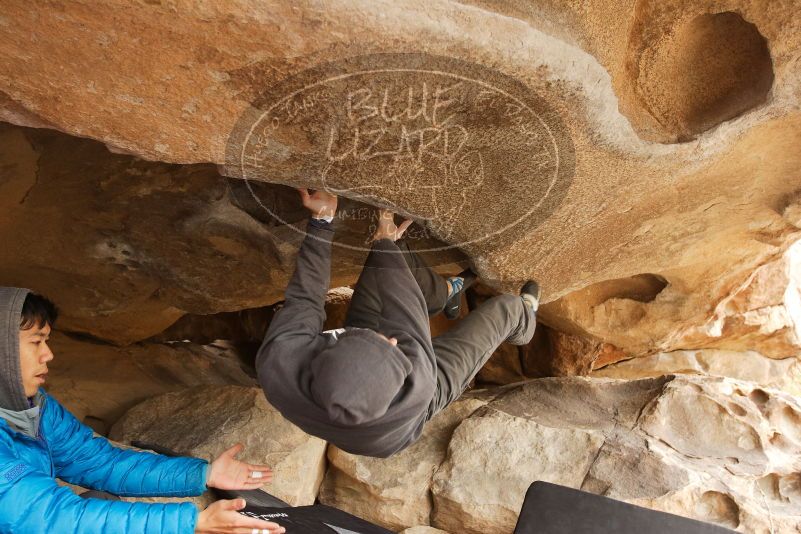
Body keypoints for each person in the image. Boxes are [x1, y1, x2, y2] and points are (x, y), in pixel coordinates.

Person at [257, 189, 540, 458]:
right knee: (506, 307)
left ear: (335, 346)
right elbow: (406, 314)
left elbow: (306, 296)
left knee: (385, 263)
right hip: (407, 415)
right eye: (394, 347)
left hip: (341, 391)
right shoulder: (418, 385)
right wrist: (384, 242)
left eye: (380, 340)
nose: (391, 339)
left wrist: (322, 221)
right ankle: (525, 321)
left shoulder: (280, 359)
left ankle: (445, 294)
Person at [0, 287, 285, 534]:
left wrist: (203, 475)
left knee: (102, 499)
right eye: (37, 341)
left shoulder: (33, 409)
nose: (48, 354)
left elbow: (100, 462)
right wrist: (190, 521)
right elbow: (49, 518)